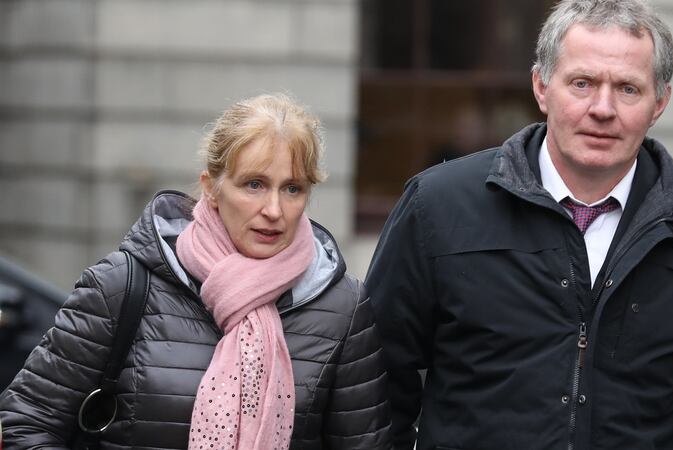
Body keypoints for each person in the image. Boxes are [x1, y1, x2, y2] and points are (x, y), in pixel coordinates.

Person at [365, 1, 673, 449]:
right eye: (582, 83)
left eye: (627, 89)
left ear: (659, 102)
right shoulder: (439, 206)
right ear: (541, 87)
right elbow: (373, 390)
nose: (602, 108)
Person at [0, 94, 392, 449]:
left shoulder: (342, 309)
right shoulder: (122, 286)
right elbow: (25, 422)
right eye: (254, 184)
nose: (274, 209)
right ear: (212, 187)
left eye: (292, 188)